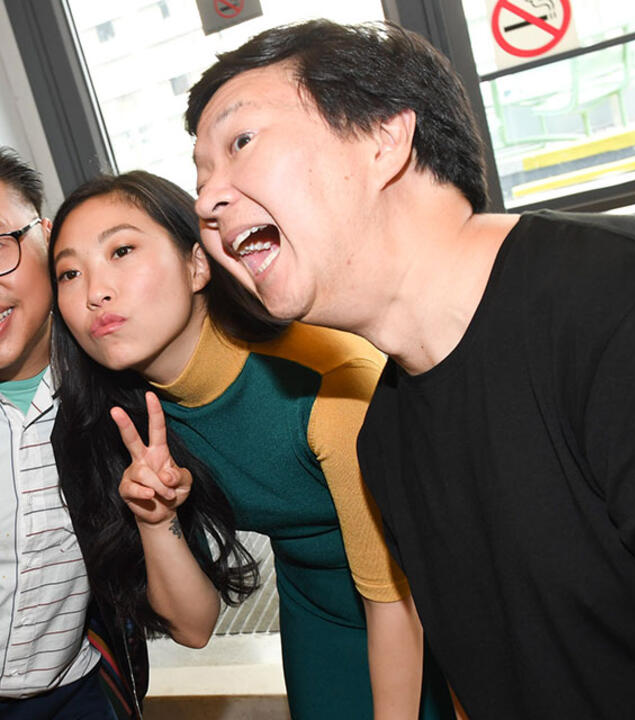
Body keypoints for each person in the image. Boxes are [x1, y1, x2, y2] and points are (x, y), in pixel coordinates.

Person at [185, 18, 635, 719]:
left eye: (240, 143)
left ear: (383, 138)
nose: (205, 202)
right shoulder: (385, 436)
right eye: (199, 174)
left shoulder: (628, 311)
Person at [48, 170, 453, 720]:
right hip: (316, 611)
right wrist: (154, 517)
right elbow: (192, 628)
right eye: (69, 272)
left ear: (196, 264)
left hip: (428, 599)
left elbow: (394, 593)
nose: (95, 291)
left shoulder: (330, 379)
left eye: (121, 250)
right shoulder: (130, 422)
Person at [0, 144, 225, 718]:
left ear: (45, 238)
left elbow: (193, 627)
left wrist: (156, 517)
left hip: (80, 697)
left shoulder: (123, 407)